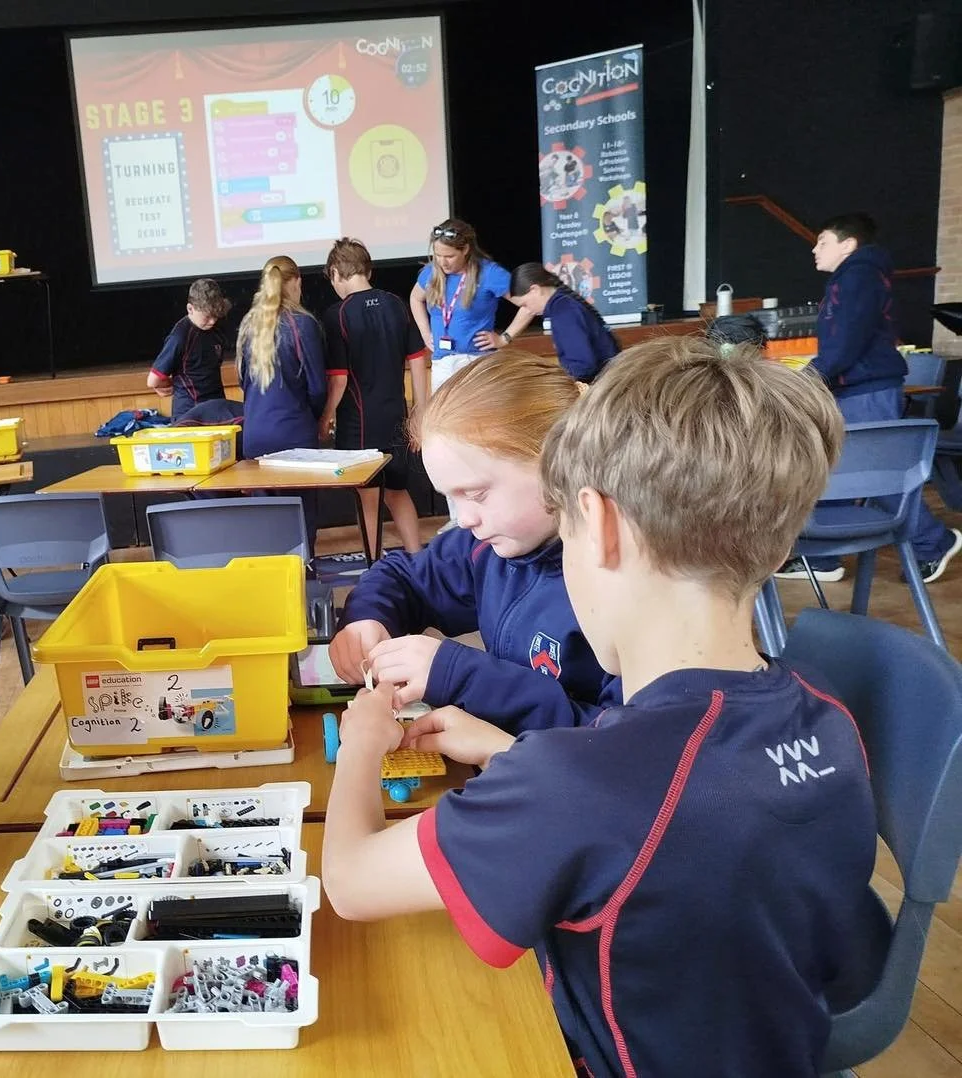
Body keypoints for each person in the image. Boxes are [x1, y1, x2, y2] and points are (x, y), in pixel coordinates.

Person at [323, 337, 887, 1078]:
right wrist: (509, 750)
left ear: (598, 522)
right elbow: (845, 965)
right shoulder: (829, 720)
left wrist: (365, 735)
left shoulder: (576, 784)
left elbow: (351, 882)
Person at [329, 350, 618, 734]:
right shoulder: (488, 546)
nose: (464, 519)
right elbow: (405, 576)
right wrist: (368, 617)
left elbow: (620, 742)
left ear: (556, 463)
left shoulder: (622, 582)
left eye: (477, 494)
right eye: (452, 497)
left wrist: (461, 676)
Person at [776, 212, 962, 584]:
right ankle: (822, 557)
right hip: (859, 388)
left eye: (822, 241)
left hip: (867, 391)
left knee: (870, 475)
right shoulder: (855, 276)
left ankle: (933, 543)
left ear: (848, 244)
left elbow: (847, 341)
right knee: (842, 470)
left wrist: (808, 380)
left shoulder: (858, 276)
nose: (815, 249)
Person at [409, 219, 534, 528]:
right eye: (438, 255)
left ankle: (489, 511)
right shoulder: (433, 273)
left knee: (476, 433)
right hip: (442, 362)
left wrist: (504, 337)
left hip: (475, 362)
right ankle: (456, 517)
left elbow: (529, 303)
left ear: (466, 249)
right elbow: (415, 298)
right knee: (445, 434)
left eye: (449, 256)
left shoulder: (489, 273)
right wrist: (426, 333)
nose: (443, 261)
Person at [320, 237, 428, 555]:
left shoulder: (336, 315)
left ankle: (374, 564)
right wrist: (421, 409)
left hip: (359, 421)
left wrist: (325, 415)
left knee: (368, 496)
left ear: (337, 272)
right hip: (397, 414)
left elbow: (338, 380)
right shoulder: (396, 303)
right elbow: (418, 359)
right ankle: (417, 558)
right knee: (397, 491)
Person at [236, 255, 327, 542]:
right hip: (294, 431)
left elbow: (242, 381)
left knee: (266, 515)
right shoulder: (303, 324)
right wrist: (313, 418)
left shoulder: (249, 324)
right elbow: (317, 388)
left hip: (255, 434)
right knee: (301, 515)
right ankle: (303, 577)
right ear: (297, 281)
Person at [508, 263, 619, 383]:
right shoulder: (564, 304)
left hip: (602, 384)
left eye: (524, 304)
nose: (528, 310)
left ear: (535, 290)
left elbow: (582, 364)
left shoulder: (563, 310)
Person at [147, 278, 230, 419]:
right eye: (207, 316)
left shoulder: (216, 328)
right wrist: (172, 385)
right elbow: (153, 380)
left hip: (217, 407)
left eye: (215, 315)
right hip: (190, 414)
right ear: (190, 309)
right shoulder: (180, 337)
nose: (212, 321)